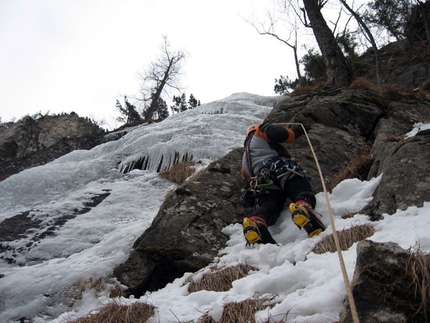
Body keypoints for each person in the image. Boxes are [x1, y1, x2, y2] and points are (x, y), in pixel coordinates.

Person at [240, 122, 325, 245]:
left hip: (264, 184)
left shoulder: (244, 159)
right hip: (282, 170)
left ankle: (256, 221)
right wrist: (295, 132)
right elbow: (279, 133)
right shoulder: (260, 131)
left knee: (270, 206)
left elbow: (249, 178)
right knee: (301, 189)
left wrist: (251, 194)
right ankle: (303, 207)